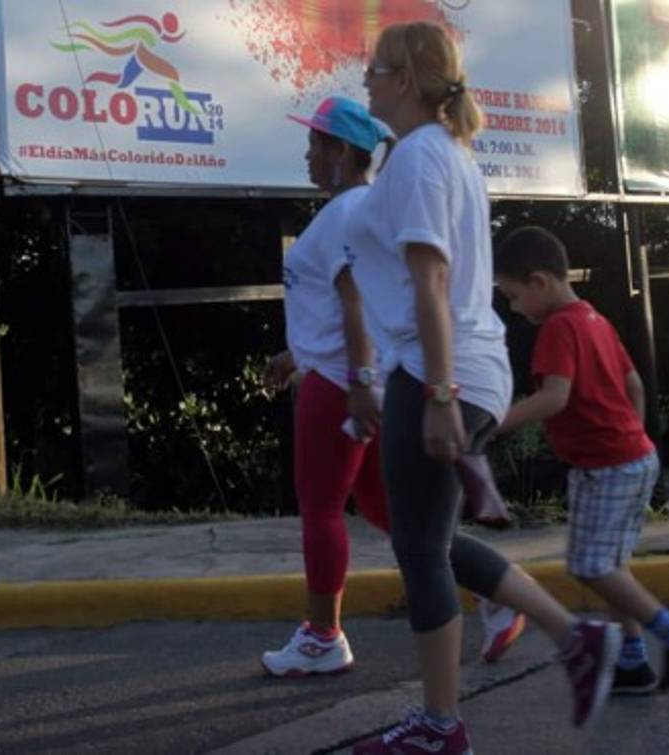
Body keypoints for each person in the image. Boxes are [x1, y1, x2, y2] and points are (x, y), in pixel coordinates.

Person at [344, 22, 621, 754]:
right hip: (456, 366)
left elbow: (431, 282)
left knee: (419, 546)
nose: (365, 80)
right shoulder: (437, 151)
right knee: (431, 538)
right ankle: (577, 637)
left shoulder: (420, 158)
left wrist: (438, 394)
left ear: (405, 79)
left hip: (441, 370)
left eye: (375, 70)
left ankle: (441, 726)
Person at [260, 96, 525, 679]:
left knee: (321, 509)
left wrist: (356, 380)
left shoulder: (347, 212)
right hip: (358, 379)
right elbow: (349, 307)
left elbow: (356, 304)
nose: (307, 155)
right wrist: (299, 354)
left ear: (341, 151)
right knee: (399, 520)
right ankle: (498, 593)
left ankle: (323, 636)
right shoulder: (357, 208)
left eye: (315, 144)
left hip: (343, 386)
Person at [493, 225, 669, 695]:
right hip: (635, 457)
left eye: (513, 297)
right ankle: (633, 661)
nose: (513, 308)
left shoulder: (557, 328)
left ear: (539, 282)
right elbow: (635, 385)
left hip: (605, 465)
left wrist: (493, 423)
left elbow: (554, 398)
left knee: (590, 566)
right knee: (612, 565)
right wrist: (630, 434)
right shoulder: (595, 319)